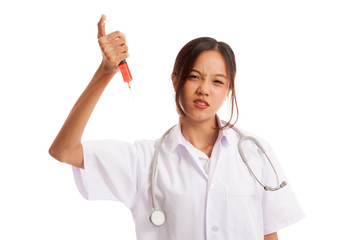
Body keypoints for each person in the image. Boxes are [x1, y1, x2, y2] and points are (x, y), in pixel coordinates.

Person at [49, 14, 304, 240]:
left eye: (217, 81)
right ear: (175, 80)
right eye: (194, 76)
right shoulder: (143, 161)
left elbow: (269, 233)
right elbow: (64, 151)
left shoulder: (254, 153)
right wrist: (105, 72)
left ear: (228, 88)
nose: (204, 89)